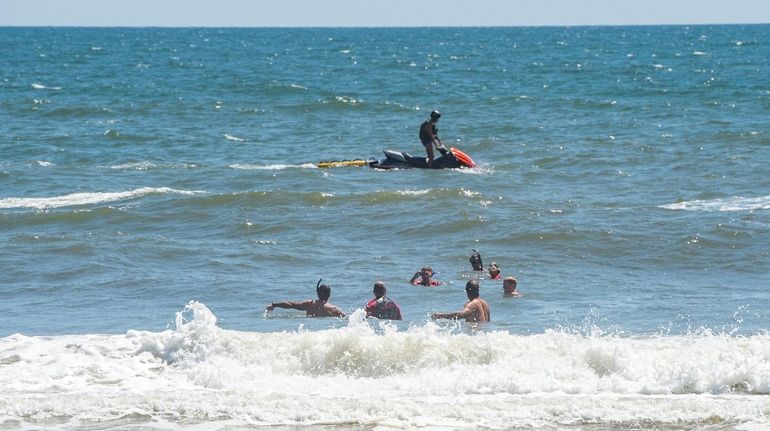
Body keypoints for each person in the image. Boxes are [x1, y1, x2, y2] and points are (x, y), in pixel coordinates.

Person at [266, 282, 346, 317]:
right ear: (329, 295)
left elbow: (291, 305)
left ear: (318, 293)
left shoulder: (309, 304)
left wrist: (274, 305)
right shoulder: (333, 309)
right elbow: (346, 317)